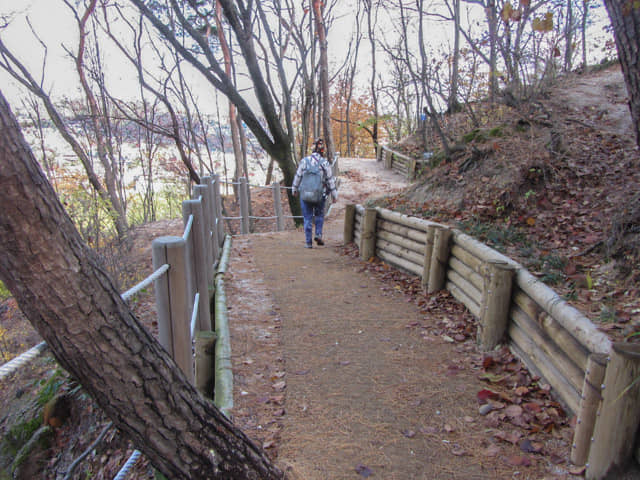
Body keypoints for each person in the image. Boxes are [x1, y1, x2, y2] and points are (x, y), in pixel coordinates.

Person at [292, 138, 338, 248]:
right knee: (319, 215)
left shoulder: (304, 161)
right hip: (319, 195)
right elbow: (330, 179)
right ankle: (318, 234)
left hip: (305, 194)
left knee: (307, 217)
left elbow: (298, 176)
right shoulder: (325, 163)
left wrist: (294, 189)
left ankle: (308, 242)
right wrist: (334, 195)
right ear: (322, 151)